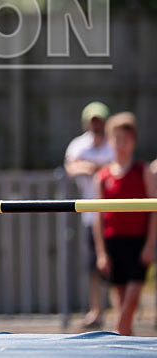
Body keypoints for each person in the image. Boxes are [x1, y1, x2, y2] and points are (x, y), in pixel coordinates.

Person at [92, 112, 157, 336]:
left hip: (138, 244)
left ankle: (117, 339)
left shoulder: (143, 171)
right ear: (110, 141)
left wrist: (150, 244)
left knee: (128, 307)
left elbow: (153, 211)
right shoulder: (103, 176)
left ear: (134, 141)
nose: (121, 144)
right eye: (116, 138)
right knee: (122, 308)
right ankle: (126, 348)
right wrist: (101, 252)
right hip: (113, 243)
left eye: (126, 139)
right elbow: (98, 217)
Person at [64, 101, 115, 329]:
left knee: (117, 262)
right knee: (93, 265)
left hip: (114, 212)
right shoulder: (79, 144)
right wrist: (91, 167)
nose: (96, 125)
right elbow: (71, 167)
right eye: (93, 121)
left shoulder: (113, 143)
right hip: (91, 214)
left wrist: (94, 167)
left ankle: (117, 311)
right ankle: (97, 310)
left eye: (100, 121)